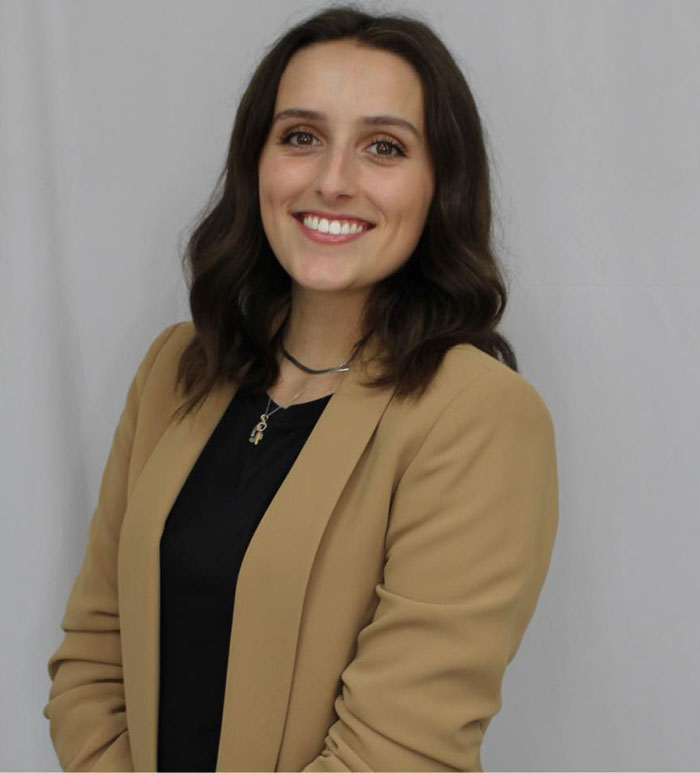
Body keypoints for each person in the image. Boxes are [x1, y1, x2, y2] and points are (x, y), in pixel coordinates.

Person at [42, 5, 559, 772]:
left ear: (439, 184)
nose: (332, 180)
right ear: (257, 161)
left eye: (384, 147)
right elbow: (91, 660)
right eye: (301, 136)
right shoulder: (177, 368)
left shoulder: (480, 415)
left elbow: (398, 749)